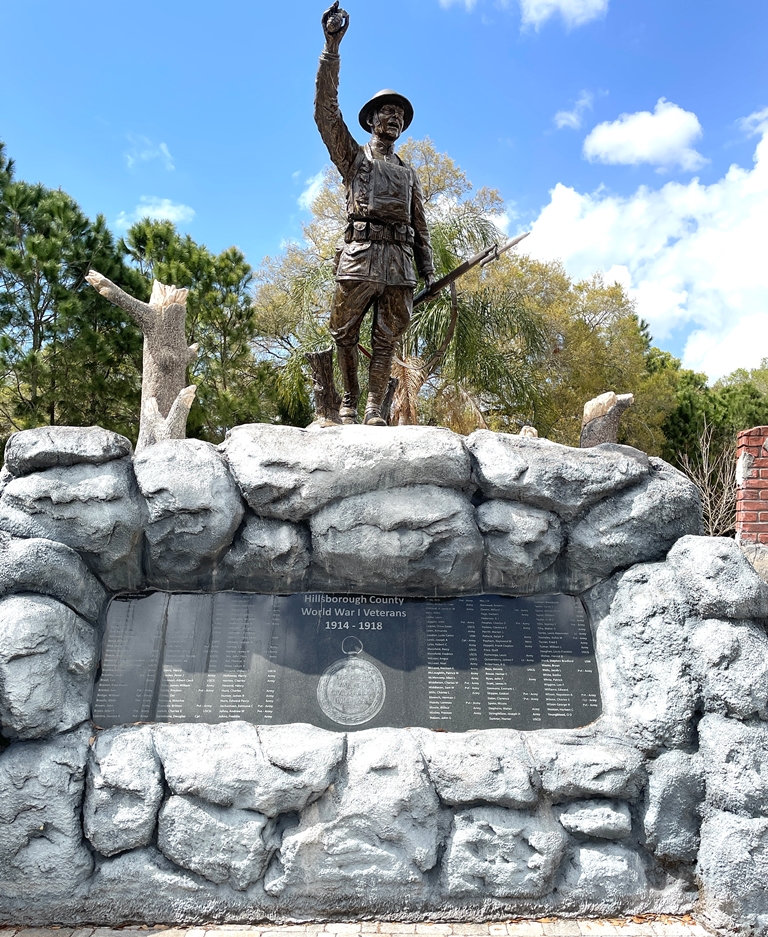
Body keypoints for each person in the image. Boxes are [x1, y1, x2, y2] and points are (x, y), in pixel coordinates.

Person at [314, 2, 435, 426]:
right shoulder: (354, 159)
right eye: (388, 112)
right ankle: (347, 401)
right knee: (343, 332)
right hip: (360, 255)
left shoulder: (408, 173)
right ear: (371, 120)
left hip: (399, 264)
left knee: (386, 341)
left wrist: (428, 270)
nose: (395, 118)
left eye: (400, 115)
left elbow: (421, 226)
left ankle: (372, 409)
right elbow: (326, 113)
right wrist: (331, 49)